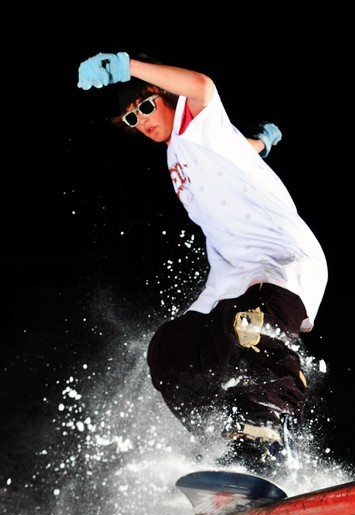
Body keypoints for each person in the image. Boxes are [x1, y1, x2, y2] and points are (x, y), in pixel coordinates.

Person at [77, 51, 328, 476]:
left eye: (146, 106)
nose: (143, 121)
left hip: (280, 259)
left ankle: (270, 428)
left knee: (249, 328)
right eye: (133, 119)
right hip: (232, 277)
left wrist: (127, 66)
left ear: (164, 95)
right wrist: (260, 145)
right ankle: (229, 435)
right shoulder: (179, 152)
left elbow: (202, 86)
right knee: (170, 349)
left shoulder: (193, 122)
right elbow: (236, 150)